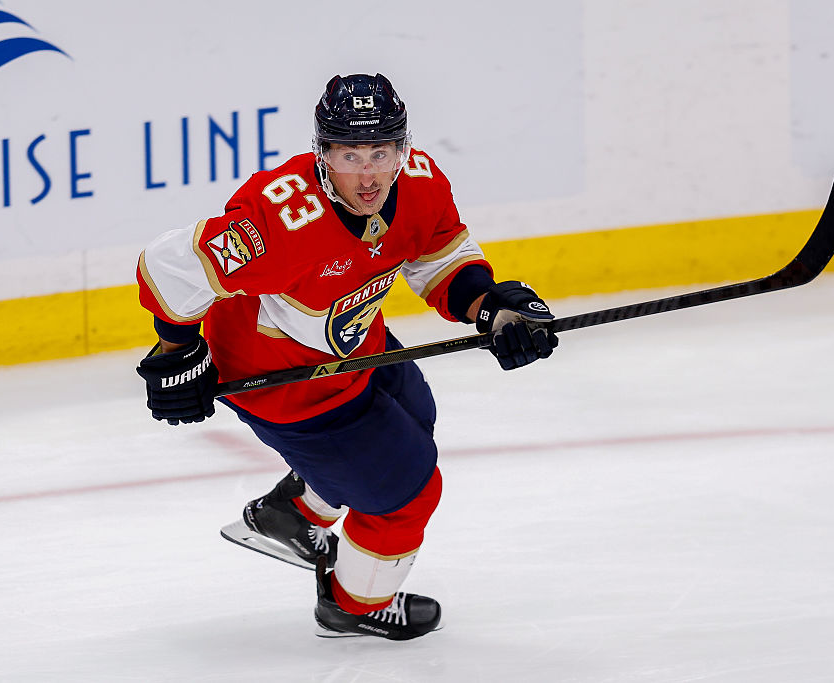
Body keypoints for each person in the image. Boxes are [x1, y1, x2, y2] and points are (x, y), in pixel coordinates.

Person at [135, 73, 558, 640]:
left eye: (381, 152)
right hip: (281, 382)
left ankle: (295, 513)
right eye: (350, 154)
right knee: (407, 493)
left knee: (415, 419)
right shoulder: (279, 219)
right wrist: (176, 349)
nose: (368, 174)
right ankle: (351, 605)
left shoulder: (420, 180)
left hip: (358, 345)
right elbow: (168, 268)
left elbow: (439, 260)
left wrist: (492, 307)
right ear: (323, 153)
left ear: (401, 149)